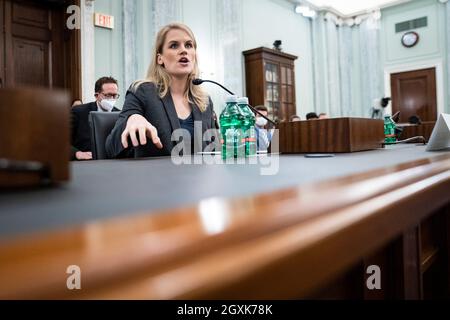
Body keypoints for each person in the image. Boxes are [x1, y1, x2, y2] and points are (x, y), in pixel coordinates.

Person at [106, 23, 217, 159]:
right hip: (157, 178)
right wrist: (132, 118)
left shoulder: (204, 101)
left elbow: (214, 149)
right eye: (174, 45)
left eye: (188, 45)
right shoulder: (142, 92)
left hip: (199, 178)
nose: (184, 51)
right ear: (160, 58)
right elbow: (110, 147)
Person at [71, 77, 120, 161]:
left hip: (112, 163)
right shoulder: (79, 112)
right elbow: (61, 140)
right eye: (108, 95)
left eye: (115, 95)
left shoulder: (120, 115)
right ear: (96, 96)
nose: (112, 99)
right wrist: (77, 153)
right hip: (85, 163)